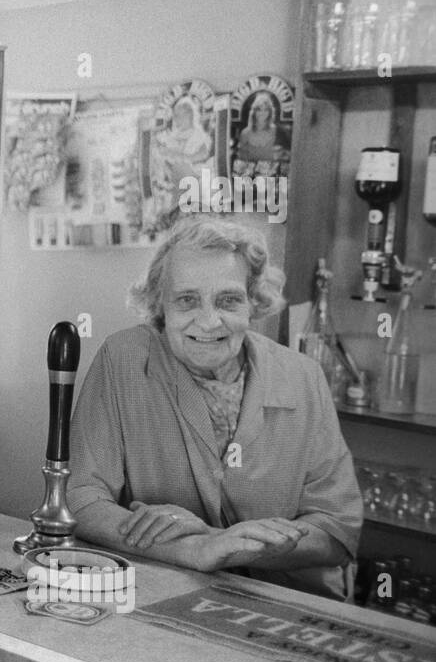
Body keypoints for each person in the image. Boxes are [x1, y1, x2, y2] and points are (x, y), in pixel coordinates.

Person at [67, 217, 362, 599]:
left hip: (281, 606)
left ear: (253, 303)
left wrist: (224, 542)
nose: (208, 321)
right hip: (156, 598)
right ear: (160, 306)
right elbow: (82, 498)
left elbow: (338, 531)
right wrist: (194, 549)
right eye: (187, 300)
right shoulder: (123, 360)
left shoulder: (303, 377)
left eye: (228, 300)